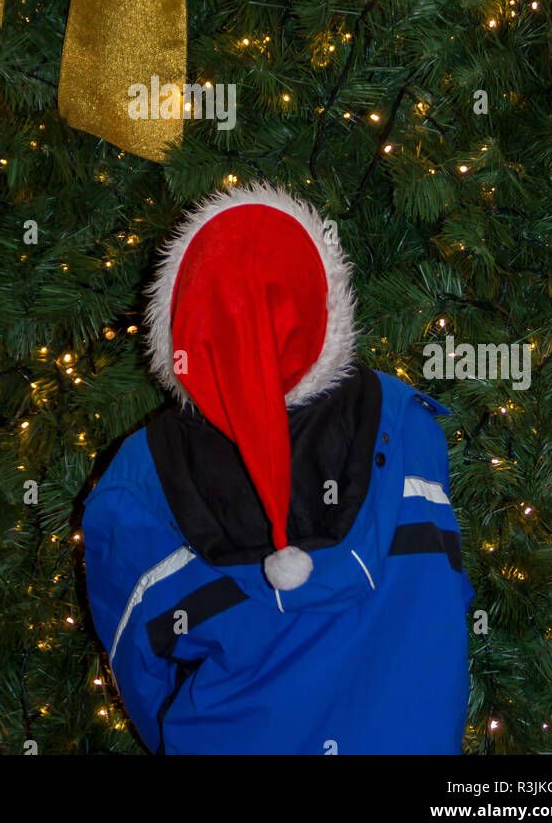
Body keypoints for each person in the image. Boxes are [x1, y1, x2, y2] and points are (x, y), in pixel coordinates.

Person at [83, 183, 473, 754]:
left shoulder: (137, 486)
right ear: (326, 304)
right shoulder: (407, 423)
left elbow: (142, 673)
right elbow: (446, 595)